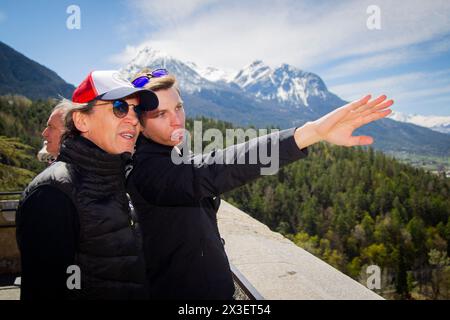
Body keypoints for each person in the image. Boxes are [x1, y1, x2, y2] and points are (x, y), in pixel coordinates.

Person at [127, 69, 394, 300]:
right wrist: (309, 133)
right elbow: (217, 168)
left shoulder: (170, 153)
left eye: (178, 107)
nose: (176, 119)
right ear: (138, 123)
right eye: (160, 114)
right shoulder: (147, 171)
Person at [15, 70, 159, 300]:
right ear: (82, 120)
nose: (133, 119)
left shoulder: (117, 179)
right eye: (120, 107)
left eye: (138, 110)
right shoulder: (52, 195)